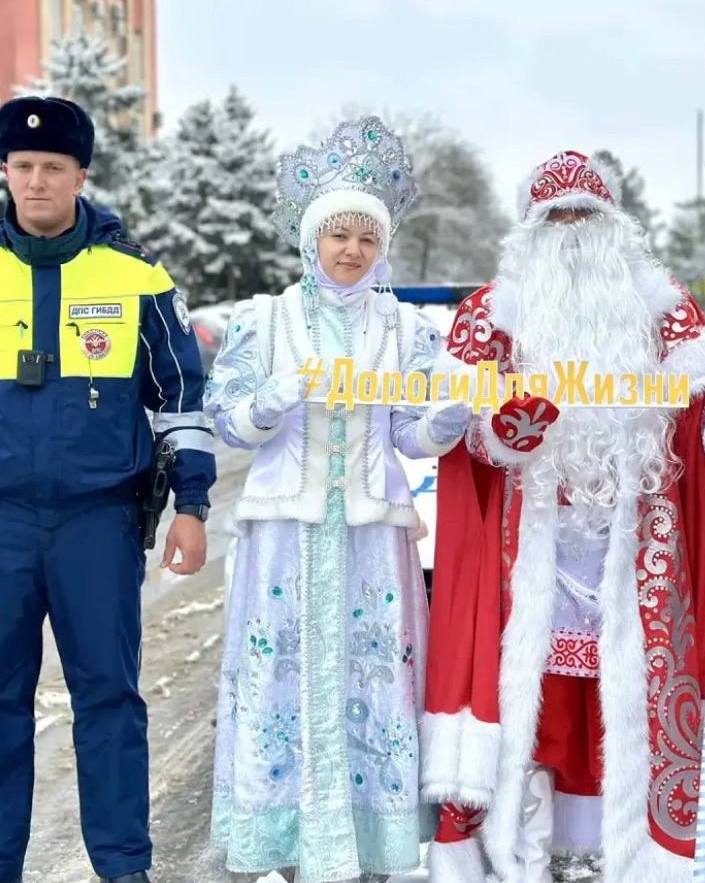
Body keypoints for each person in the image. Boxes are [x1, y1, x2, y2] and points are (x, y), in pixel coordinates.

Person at [421, 150, 705, 882]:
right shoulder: (490, 313)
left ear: (615, 225)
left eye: (587, 215)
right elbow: (458, 431)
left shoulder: (663, 307)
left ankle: (655, 854)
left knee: (642, 693)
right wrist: (501, 433)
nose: (573, 231)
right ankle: (517, 850)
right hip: (530, 541)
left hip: (639, 535)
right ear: (532, 230)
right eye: (557, 217)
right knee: (531, 703)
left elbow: (701, 417)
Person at [0, 96, 215, 883]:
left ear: (81, 175)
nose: (37, 181)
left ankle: (122, 867)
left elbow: (180, 394)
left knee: (109, 699)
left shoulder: (137, 276)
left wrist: (195, 505)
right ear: (5, 170)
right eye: (24, 166)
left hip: (98, 523)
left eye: (55, 168)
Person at [205, 116, 471, 883]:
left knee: (372, 678)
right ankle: (284, 840)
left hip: (368, 540)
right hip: (284, 536)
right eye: (337, 235)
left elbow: (411, 439)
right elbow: (227, 419)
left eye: (365, 237)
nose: (351, 250)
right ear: (310, 240)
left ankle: (371, 846)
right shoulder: (265, 320)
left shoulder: (407, 330)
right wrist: (272, 400)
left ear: (381, 245)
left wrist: (446, 419)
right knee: (278, 675)